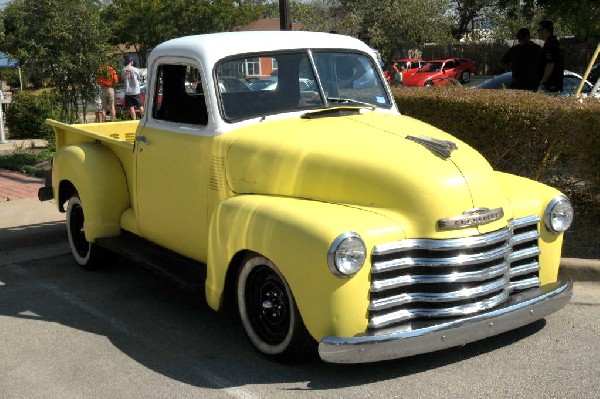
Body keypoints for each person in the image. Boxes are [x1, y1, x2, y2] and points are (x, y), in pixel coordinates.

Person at [537, 20, 564, 93]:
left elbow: (550, 64)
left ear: (545, 30)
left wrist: (543, 82)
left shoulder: (550, 44)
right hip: (553, 85)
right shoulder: (554, 42)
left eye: (539, 30)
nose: (538, 32)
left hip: (550, 86)